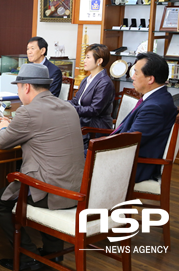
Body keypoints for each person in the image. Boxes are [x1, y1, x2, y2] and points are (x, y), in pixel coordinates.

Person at [0, 63, 84, 271]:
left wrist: (4, 126)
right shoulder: (68, 106)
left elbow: (2, 142)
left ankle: (26, 256)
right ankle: (52, 252)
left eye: (18, 88)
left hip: (53, 192)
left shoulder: (29, 112)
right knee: (47, 174)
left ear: (26, 87)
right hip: (77, 188)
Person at [113, 52, 176, 183]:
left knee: (69, 163)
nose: (132, 77)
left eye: (136, 73)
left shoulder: (155, 107)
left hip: (134, 165)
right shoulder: (157, 98)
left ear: (150, 79)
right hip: (126, 157)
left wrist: (93, 149)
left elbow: (129, 141)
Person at [69, 44, 115, 151]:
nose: (84, 60)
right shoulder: (86, 79)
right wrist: (63, 104)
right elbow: (77, 100)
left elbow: (95, 110)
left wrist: (71, 108)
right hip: (83, 123)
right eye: (85, 57)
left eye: (88, 57)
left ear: (99, 61)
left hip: (94, 128)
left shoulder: (105, 83)